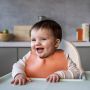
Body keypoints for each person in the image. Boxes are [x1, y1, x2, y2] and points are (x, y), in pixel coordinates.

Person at [11, 19, 80, 85]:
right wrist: (19, 75)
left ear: (56, 43)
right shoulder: (29, 56)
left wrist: (59, 75)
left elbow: (76, 73)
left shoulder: (64, 56)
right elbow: (17, 66)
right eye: (33, 40)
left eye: (43, 39)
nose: (37, 43)